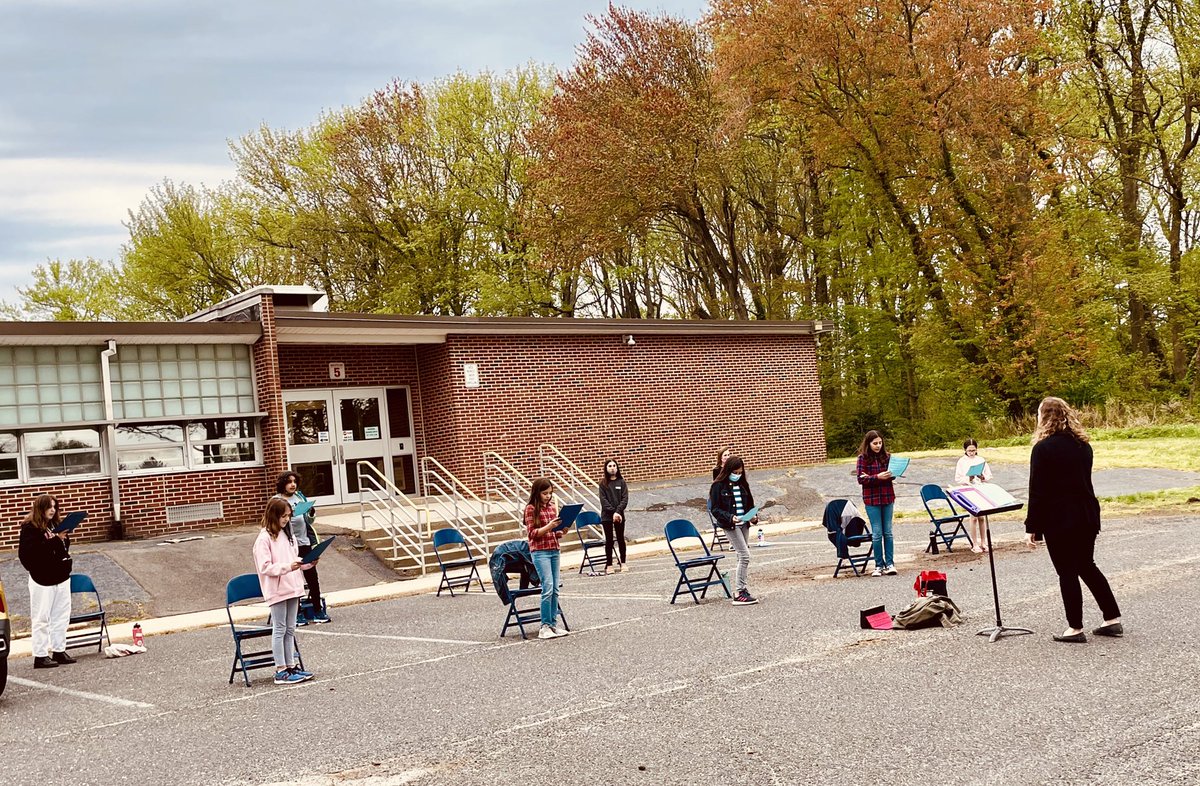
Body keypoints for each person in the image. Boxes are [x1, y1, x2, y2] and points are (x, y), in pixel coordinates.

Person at [1023, 396, 1123, 643]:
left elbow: (1038, 490)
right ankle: (1112, 618)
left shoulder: (1043, 448)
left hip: (1059, 518)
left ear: (1044, 417)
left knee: (1066, 571)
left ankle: (1075, 627)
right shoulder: (1083, 445)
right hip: (1086, 513)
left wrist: (1031, 526)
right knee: (1087, 565)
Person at [254, 497, 316, 684]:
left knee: (290, 628)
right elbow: (265, 567)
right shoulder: (264, 538)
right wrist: (289, 567)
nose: (287, 519)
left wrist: (308, 564)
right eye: (283, 516)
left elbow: (293, 559)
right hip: (277, 589)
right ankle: (281, 670)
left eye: (289, 516)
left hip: (293, 586)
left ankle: (290, 665)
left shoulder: (288, 534)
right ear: (274, 515)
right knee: (279, 628)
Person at [18, 495, 76, 669]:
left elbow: (61, 547)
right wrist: (55, 540)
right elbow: (30, 554)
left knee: (61, 616)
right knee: (41, 618)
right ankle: (40, 655)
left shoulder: (54, 525)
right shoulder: (30, 528)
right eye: (49, 507)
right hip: (42, 578)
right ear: (40, 508)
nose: (52, 510)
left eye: (54, 507)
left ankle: (59, 650)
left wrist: (62, 539)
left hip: (61, 576)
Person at [273, 470, 329, 623]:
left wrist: (310, 513)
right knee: (293, 578)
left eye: (294, 482)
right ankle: (296, 613)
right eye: (289, 482)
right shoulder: (276, 500)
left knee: (312, 577)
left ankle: (317, 610)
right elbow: (274, 521)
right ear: (283, 484)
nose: (293, 485)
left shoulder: (300, 497)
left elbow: (308, 521)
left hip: (305, 542)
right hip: (289, 544)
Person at [709, 456, 759, 605]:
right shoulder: (718, 485)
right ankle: (739, 592)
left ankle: (742, 589)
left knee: (741, 556)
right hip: (730, 524)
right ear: (728, 470)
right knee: (745, 555)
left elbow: (750, 504)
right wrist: (731, 517)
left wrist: (754, 517)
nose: (737, 475)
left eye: (740, 472)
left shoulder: (743, 484)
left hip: (744, 523)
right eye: (735, 472)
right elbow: (715, 509)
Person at [525, 478, 568, 640]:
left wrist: (561, 531)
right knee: (548, 587)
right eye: (544, 493)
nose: (548, 496)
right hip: (540, 552)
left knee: (555, 588)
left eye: (550, 493)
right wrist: (549, 526)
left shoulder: (551, 508)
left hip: (554, 549)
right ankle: (544, 626)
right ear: (537, 493)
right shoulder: (530, 509)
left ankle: (553, 624)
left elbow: (555, 532)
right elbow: (532, 534)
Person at [857, 430, 896, 576]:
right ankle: (878, 565)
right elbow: (861, 479)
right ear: (868, 444)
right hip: (871, 499)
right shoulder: (862, 459)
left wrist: (890, 475)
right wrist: (877, 477)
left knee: (888, 532)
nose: (878, 446)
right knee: (877, 533)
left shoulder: (887, 457)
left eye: (880, 443)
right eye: (875, 443)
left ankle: (890, 564)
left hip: (887, 497)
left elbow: (892, 475)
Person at [954, 438, 993, 553]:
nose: (971, 453)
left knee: (982, 517)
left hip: (980, 488)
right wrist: (968, 478)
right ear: (965, 450)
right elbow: (958, 478)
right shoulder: (961, 461)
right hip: (968, 489)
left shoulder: (981, 460)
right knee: (973, 517)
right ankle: (974, 543)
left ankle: (983, 542)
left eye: (973, 450)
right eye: (969, 450)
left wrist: (982, 477)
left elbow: (988, 475)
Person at [598, 459, 629, 574]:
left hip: (619, 516)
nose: (612, 468)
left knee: (620, 539)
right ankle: (609, 564)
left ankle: (623, 562)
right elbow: (603, 501)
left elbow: (624, 499)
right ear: (606, 468)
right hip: (607, 516)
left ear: (617, 468)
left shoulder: (621, 482)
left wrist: (618, 512)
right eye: (609, 466)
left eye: (614, 466)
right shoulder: (602, 484)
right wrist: (613, 513)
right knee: (609, 540)